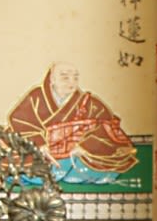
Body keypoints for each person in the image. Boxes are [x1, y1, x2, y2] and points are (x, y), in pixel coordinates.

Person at [9, 63, 137, 177]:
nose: (71, 82)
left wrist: (85, 147)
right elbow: (20, 121)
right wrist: (40, 145)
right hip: (44, 153)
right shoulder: (36, 97)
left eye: (75, 78)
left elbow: (108, 127)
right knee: (20, 165)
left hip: (78, 156)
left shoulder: (90, 103)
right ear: (52, 79)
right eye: (65, 78)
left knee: (93, 168)